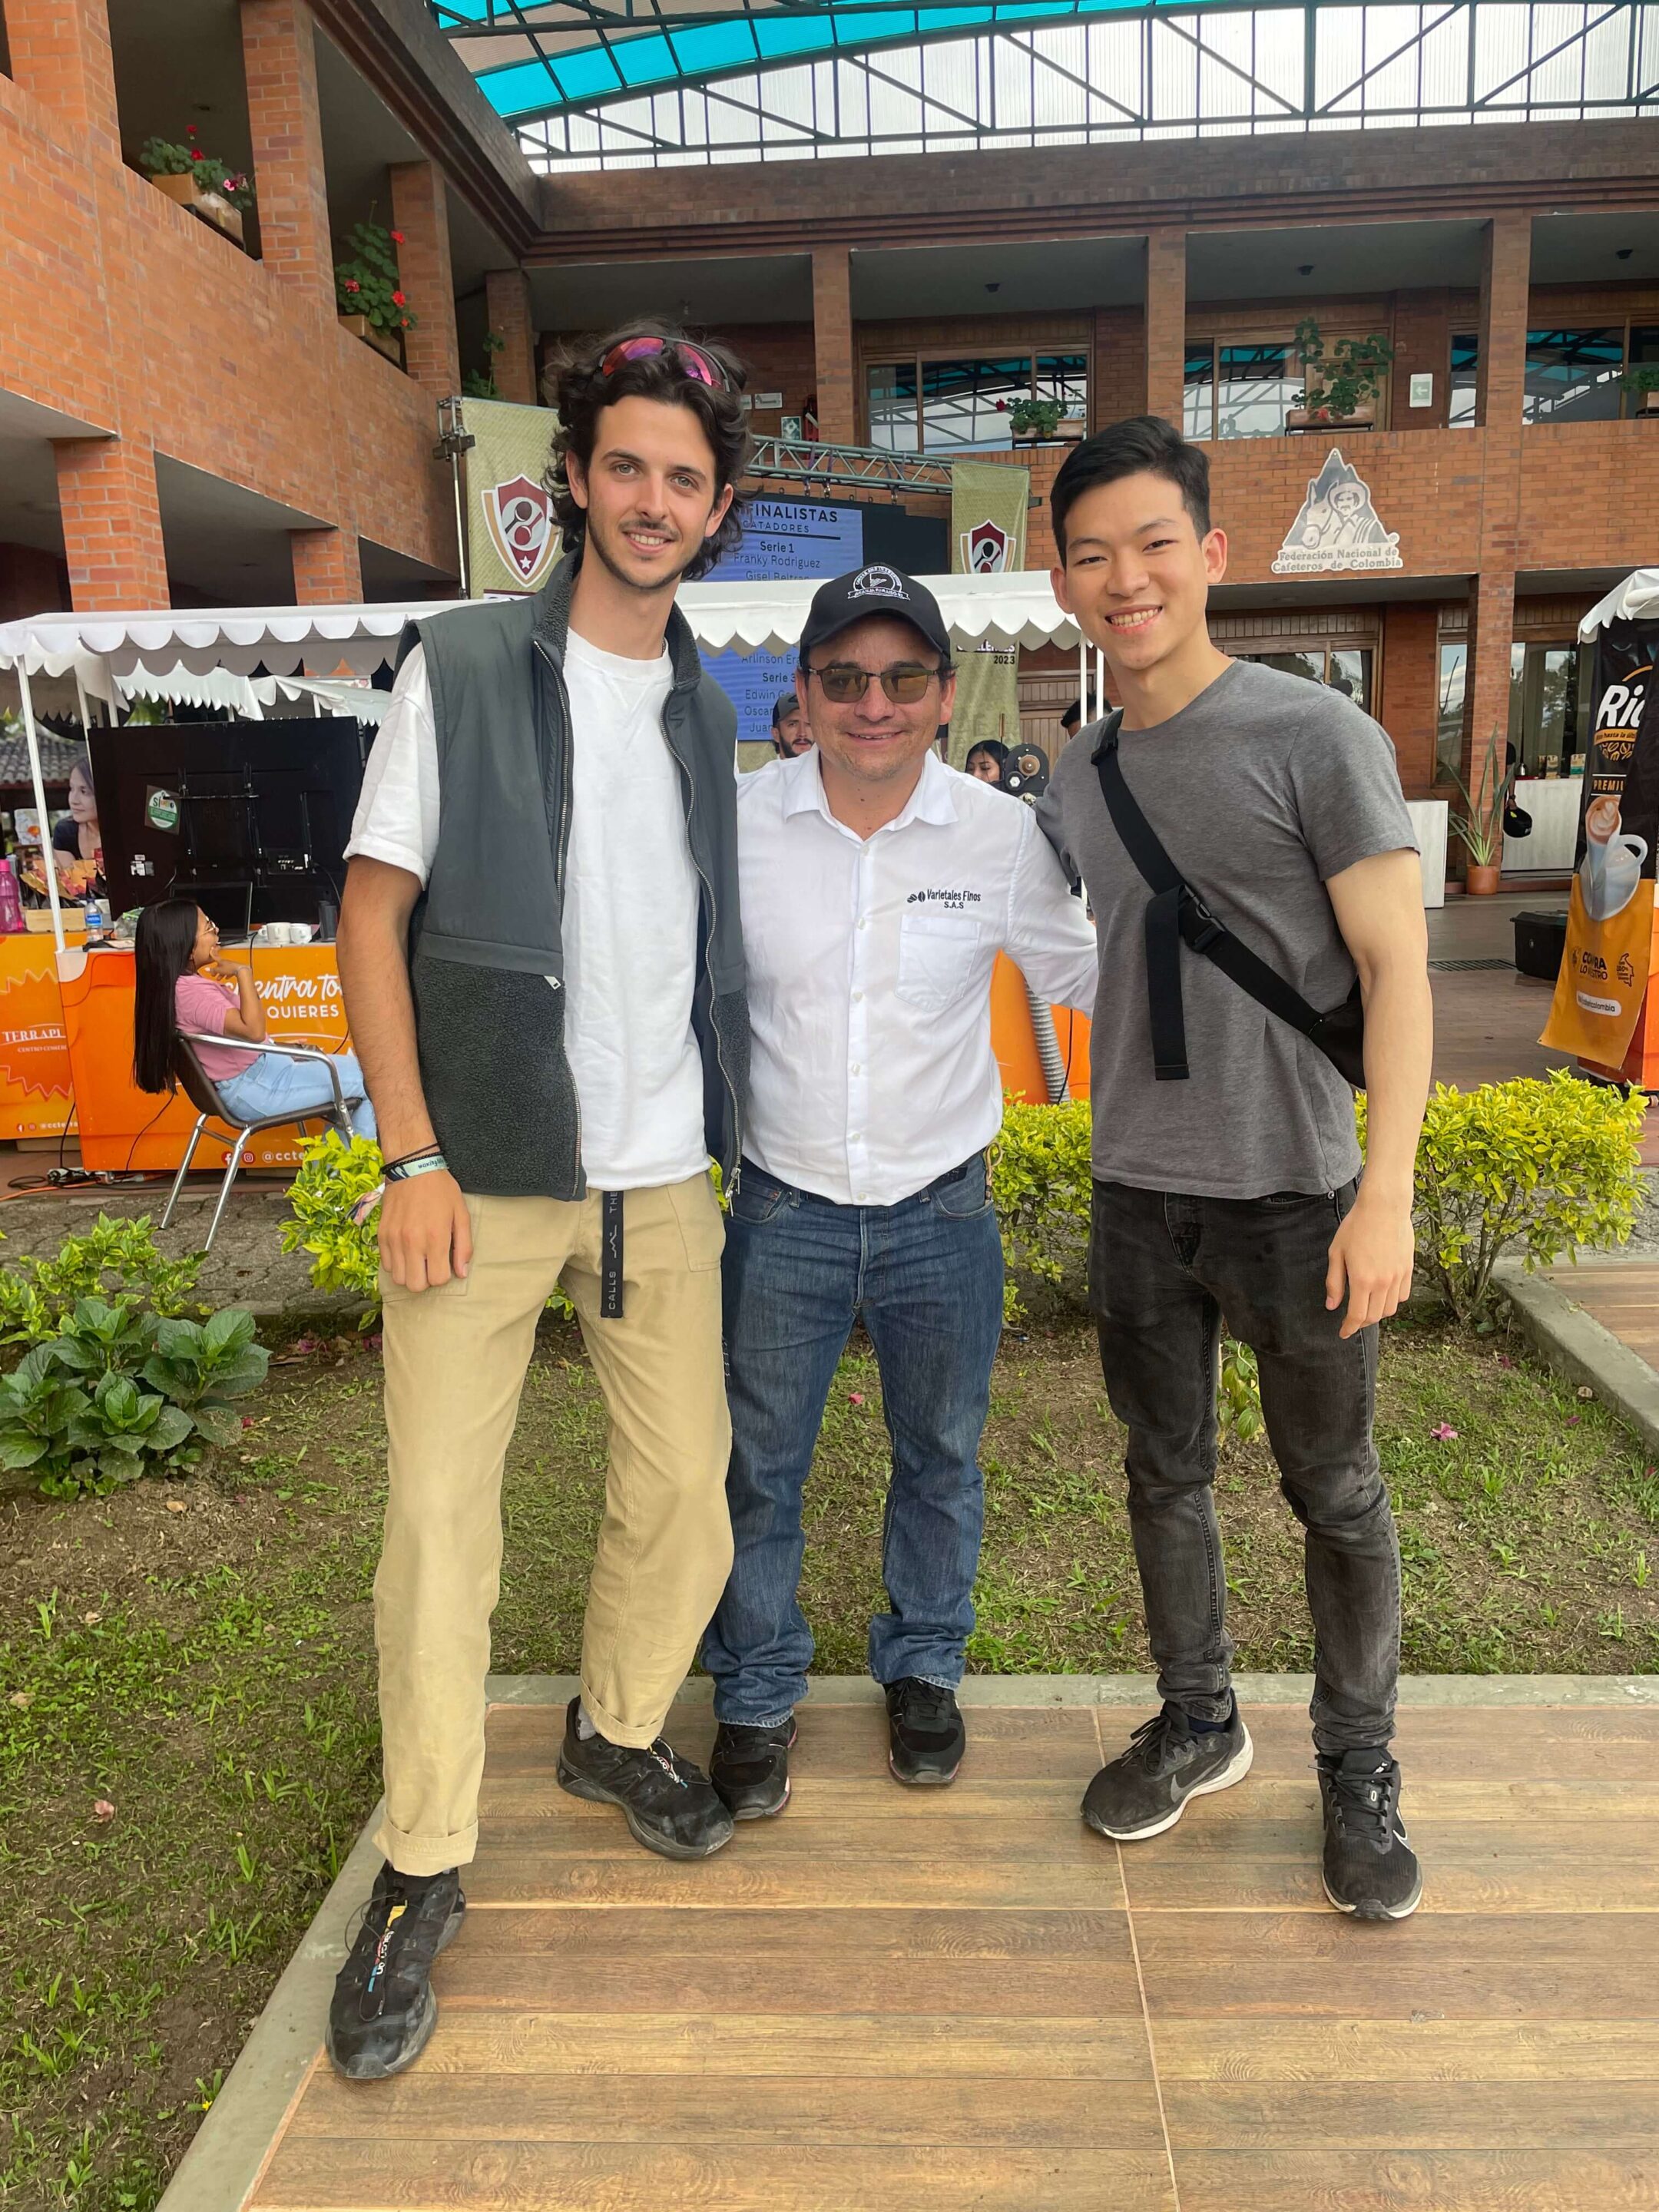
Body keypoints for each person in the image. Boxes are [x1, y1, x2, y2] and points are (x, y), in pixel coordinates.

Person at [326, 324, 751, 2081]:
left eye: (685, 478)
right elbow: (369, 913)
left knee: (682, 1492)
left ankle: (615, 1726)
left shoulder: (705, 706)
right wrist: (406, 1150)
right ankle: (423, 1856)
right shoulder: (466, 662)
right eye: (628, 466)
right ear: (572, 479)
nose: (654, 501)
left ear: (714, 510)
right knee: (441, 1520)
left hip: (660, 1174)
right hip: (479, 1170)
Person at [1037, 416, 1432, 1922]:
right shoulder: (1079, 775)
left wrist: (1383, 1193)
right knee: (1163, 1474)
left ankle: (1360, 1770)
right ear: (1067, 582)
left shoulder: (1314, 736)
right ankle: (1200, 1721)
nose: (1124, 577)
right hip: (1140, 1187)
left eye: (1152, 544)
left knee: (1334, 1488)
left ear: (1208, 556)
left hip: (1296, 1194)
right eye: (1093, 554)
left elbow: (1397, 974)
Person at [701, 567, 1098, 1816]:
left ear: (941, 696)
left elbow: (1092, 979)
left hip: (943, 1211)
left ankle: (924, 1665)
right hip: (783, 1209)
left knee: (941, 1455)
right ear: (804, 695)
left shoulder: (999, 837)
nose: (875, 703)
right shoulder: (733, 825)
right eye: (846, 678)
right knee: (758, 1468)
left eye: (904, 678)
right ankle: (757, 1691)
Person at [131, 898, 376, 1138]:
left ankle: (337, 1174)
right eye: (207, 927)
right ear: (183, 944)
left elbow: (247, 1038)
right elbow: (253, 1031)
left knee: (364, 1075)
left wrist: (278, 1048)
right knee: (372, 1081)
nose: (216, 929)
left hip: (261, 1074)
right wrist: (243, 972)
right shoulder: (192, 994)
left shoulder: (179, 988)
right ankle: (349, 1176)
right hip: (257, 1087)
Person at [52, 753, 104, 892]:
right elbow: (76, 891)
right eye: (71, 789)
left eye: (84, 791)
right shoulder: (65, 833)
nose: (73, 800)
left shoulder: (125, 833)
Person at [772, 692, 812, 758]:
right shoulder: (770, 769)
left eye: (809, 724)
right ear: (776, 734)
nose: (802, 733)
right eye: (792, 724)